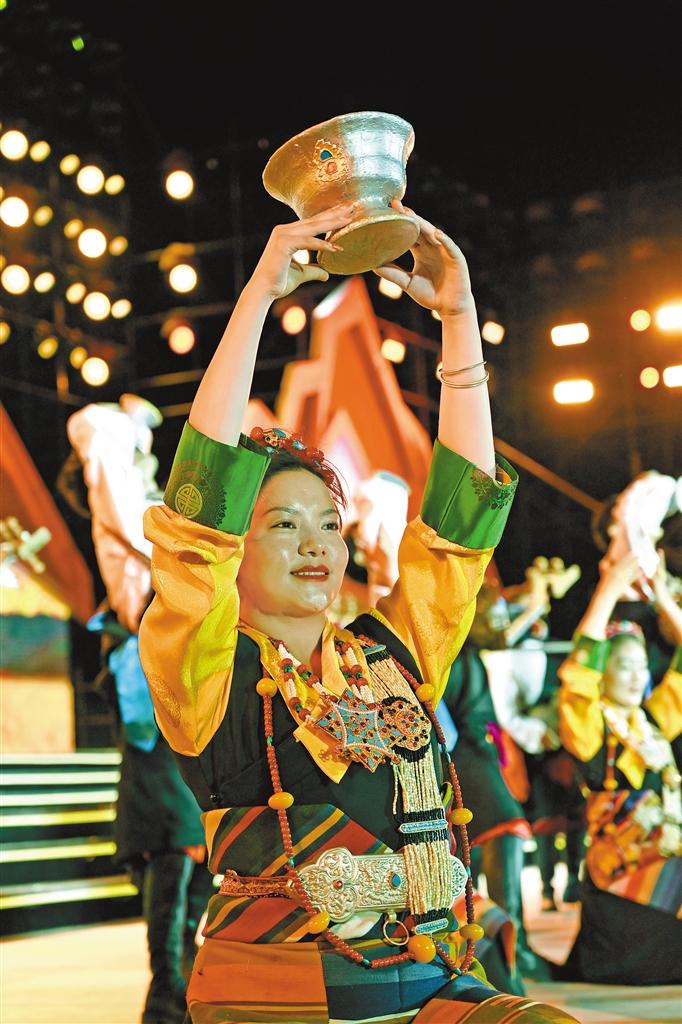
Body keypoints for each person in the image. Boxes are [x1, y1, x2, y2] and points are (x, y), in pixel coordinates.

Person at [139, 197, 578, 1023]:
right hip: (283, 996)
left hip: (429, 976)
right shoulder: (203, 668)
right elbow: (195, 523)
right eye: (283, 524)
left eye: (328, 525)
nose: (315, 543)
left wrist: (459, 322)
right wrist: (258, 296)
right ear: (234, 547)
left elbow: (457, 535)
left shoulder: (390, 654)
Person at [64, 397, 214, 1024]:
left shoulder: (147, 546)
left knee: (192, 866)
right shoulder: (134, 550)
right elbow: (110, 469)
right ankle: (167, 998)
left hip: (179, 720)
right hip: (156, 733)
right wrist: (125, 432)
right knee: (174, 858)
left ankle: (179, 993)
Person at [555, 549, 682, 984]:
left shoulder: (652, 721)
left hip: (662, 852)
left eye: (641, 667)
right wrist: (607, 592)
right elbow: (578, 672)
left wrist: (663, 598)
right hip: (619, 871)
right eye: (623, 667)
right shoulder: (591, 727)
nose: (635, 677)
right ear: (603, 673)